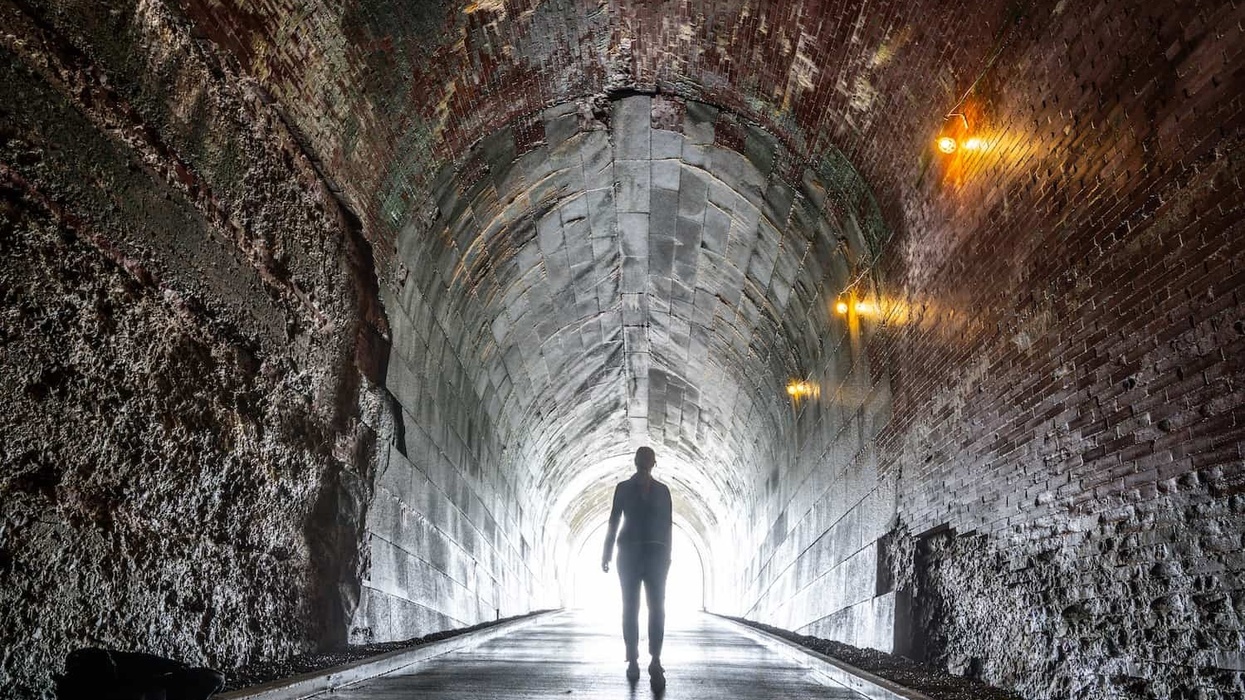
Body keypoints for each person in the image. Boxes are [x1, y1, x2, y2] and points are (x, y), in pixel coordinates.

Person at [601, 446, 672, 688]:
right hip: (629, 555)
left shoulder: (663, 491)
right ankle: (632, 658)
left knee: (657, 608)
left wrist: (668, 556)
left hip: (655, 556)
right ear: (635, 462)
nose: (644, 464)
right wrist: (607, 553)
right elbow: (614, 521)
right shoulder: (623, 488)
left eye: (647, 460)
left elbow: (667, 526)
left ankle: (655, 659)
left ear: (654, 463)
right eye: (641, 460)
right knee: (630, 607)